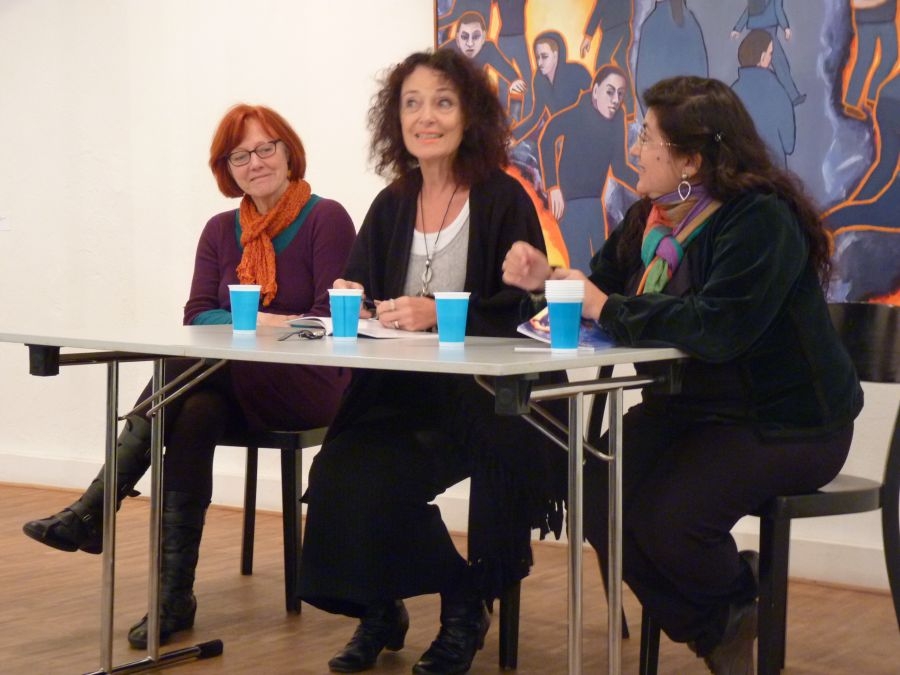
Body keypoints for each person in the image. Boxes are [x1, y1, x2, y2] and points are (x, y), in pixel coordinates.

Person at [502, 76, 863, 674]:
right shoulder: (647, 219)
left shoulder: (760, 220)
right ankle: (724, 616)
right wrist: (550, 279)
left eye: (647, 138)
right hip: (689, 409)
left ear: (691, 161)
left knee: (668, 521)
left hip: (786, 421)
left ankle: (725, 609)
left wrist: (603, 304)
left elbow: (718, 328)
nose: (635, 148)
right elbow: (599, 293)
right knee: (596, 495)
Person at [22, 104, 355, 648]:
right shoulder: (221, 230)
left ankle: (95, 508)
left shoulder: (326, 218)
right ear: (227, 168)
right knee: (195, 411)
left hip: (307, 382)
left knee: (181, 366)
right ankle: (173, 597)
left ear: (288, 152)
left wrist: (256, 324)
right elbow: (197, 315)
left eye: (265, 148)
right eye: (240, 155)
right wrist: (257, 324)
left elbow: (327, 320)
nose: (255, 162)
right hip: (229, 380)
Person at [297, 49, 564, 675]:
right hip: (399, 395)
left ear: (470, 116)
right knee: (338, 475)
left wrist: (438, 315)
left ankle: (461, 611)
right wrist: (354, 299)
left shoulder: (502, 198)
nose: (427, 117)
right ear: (396, 120)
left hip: (484, 403)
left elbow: (524, 313)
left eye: (443, 102)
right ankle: (394, 605)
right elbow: (360, 287)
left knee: (380, 486)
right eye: (412, 104)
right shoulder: (393, 202)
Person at [538, 63, 638, 272]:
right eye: (610, 92)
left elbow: (619, 167)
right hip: (570, 204)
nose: (615, 100)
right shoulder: (576, 113)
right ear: (595, 90)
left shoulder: (618, 117)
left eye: (620, 94)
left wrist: (647, 186)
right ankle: (565, 295)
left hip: (594, 202)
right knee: (581, 264)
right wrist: (553, 187)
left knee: (602, 265)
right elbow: (547, 138)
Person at [731, 29, 795, 168]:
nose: (771, 59)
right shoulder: (776, 90)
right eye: (770, 53)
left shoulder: (732, 92)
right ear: (762, 57)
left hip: (741, 169)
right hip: (773, 168)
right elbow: (788, 143)